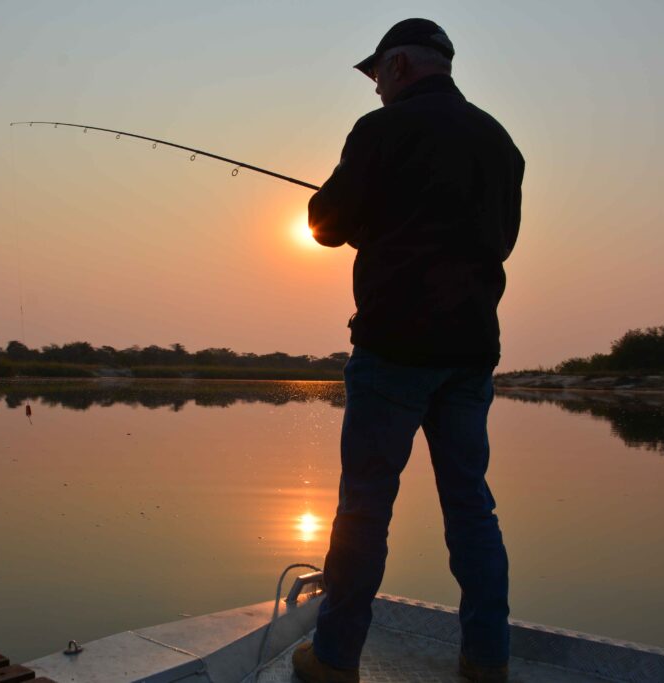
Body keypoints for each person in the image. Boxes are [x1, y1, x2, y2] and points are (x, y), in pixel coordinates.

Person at [292, 18, 525, 683]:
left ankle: (335, 658)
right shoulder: (500, 143)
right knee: (472, 509)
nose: (374, 90)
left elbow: (323, 224)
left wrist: (361, 221)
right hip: (471, 352)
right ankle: (487, 658)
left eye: (374, 76)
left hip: (394, 348)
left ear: (397, 66)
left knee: (365, 503)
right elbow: (498, 241)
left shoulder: (380, 132)